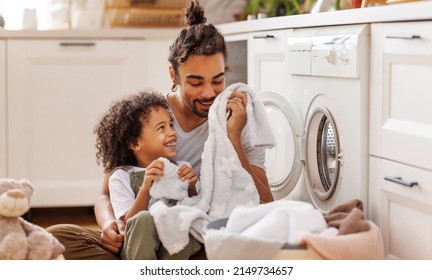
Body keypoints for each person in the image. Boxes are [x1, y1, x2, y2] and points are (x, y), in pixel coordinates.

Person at [46, 0, 273, 260]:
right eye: (196, 82)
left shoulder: (238, 120)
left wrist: (233, 139)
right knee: (56, 236)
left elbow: (267, 205)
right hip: (142, 229)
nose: (209, 93)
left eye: (218, 80)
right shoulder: (150, 117)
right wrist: (109, 224)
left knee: (226, 247)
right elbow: (106, 194)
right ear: (174, 76)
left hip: (194, 233)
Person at [93, 89, 201, 259]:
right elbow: (130, 222)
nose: (172, 132)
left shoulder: (181, 167)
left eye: (171, 124)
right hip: (137, 245)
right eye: (161, 128)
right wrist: (145, 188)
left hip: (171, 243)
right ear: (135, 143)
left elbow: (195, 203)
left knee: (190, 224)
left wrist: (192, 186)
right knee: (144, 219)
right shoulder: (122, 176)